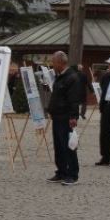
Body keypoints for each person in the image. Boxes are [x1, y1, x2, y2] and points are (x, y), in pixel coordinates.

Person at [45, 51, 81, 185]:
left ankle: (73, 174)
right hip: (57, 116)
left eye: (53, 62)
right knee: (59, 147)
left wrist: (73, 117)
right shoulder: (60, 76)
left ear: (61, 62)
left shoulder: (71, 77)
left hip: (66, 117)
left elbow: (74, 100)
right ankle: (61, 172)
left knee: (69, 146)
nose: (52, 65)